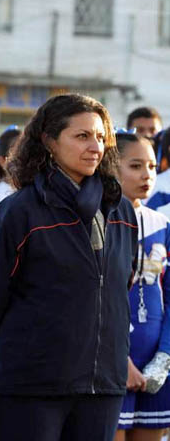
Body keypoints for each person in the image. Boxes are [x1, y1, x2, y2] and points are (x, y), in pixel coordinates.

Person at [0, 93, 138, 441]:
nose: (95, 146)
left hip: (101, 387)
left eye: (101, 137)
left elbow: (122, 286)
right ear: (48, 141)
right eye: (82, 136)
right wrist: (18, 359)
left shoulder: (122, 211)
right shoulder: (19, 212)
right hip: (29, 385)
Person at [114, 131, 170, 440]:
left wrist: (164, 357)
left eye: (151, 166)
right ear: (111, 166)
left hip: (154, 365)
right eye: (135, 166)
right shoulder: (98, 222)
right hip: (109, 364)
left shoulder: (162, 224)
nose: (147, 175)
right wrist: (120, 361)